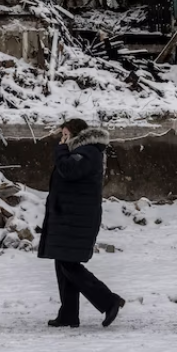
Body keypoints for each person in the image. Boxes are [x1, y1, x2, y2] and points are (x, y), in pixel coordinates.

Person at [38, 119, 125, 328]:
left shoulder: (88, 152)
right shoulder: (81, 152)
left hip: (77, 218)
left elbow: (69, 170)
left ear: (76, 135)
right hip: (69, 216)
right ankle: (68, 313)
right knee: (62, 262)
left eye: (65, 135)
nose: (62, 139)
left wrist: (60, 150)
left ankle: (108, 300)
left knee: (68, 263)